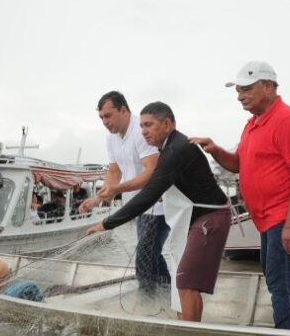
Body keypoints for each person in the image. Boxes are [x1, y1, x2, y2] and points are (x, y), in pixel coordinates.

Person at [190, 61, 290, 330]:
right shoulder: (252, 124)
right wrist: (214, 149)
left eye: (246, 89)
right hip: (266, 215)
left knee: (278, 280)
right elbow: (239, 164)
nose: (240, 96)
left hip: (286, 214)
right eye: (238, 91)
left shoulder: (288, 120)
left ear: (268, 86)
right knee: (281, 277)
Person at [87, 102, 230, 322]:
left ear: (167, 124)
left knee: (187, 282)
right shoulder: (169, 147)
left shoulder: (177, 150)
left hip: (209, 219)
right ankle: (184, 326)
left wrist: (107, 223)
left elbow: (149, 194)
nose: (143, 131)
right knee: (181, 279)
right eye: (142, 126)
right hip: (195, 220)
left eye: (149, 125)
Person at [79, 91, 170, 292]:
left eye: (108, 115)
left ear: (123, 110)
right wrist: (98, 198)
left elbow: (152, 171)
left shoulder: (141, 131)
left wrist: (117, 188)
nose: (104, 121)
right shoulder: (111, 138)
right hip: (136, 206)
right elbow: (114, 171)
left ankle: (148, 304)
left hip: (157, 204)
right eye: (101, 117)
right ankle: (167, 296)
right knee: (151, 253)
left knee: (145, 256)